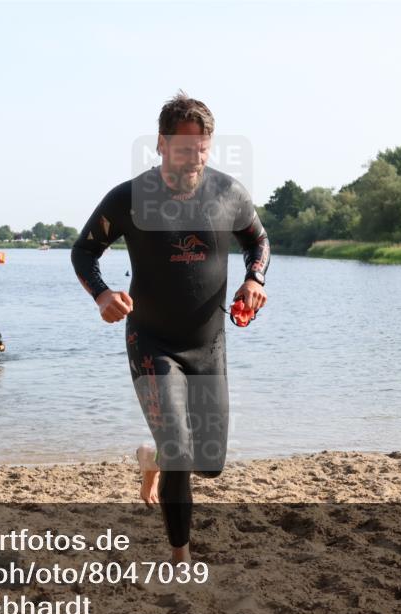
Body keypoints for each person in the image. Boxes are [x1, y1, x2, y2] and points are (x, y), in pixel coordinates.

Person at [71, 92, 270, 563]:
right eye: (183, 148)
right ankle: (180, 556)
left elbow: (257, 240)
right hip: (151, 340)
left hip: (208, 343)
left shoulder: (229, 193)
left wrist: (254, 279)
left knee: (210, 464)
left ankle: (151, 457)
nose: (194, 158)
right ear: (160, 145)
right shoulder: (130, 198)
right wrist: (102, 294)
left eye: (202, 148)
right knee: (180, 451)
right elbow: (84, 251)